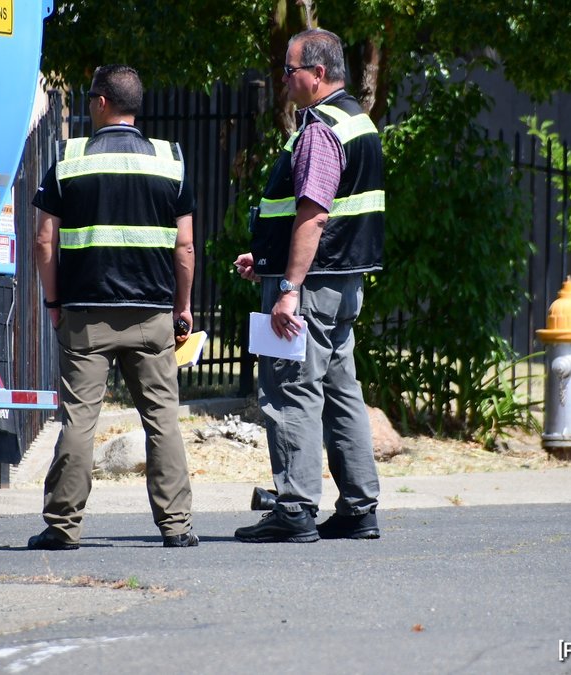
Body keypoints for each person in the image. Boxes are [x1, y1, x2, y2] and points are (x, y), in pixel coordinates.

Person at [29, 64, 198, 550]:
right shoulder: (171, 161)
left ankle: (63, 527)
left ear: (102, 102)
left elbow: (45, 241)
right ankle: (177, 526)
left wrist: (54, 301)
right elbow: (184, 247)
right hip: (151, 316)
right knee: (162, 417)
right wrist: (181, 306)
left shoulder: (68, 158)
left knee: (80, 420)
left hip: (85, 315)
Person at [233, 29, 385, 543]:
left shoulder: (320, 128)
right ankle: (359, 507)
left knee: (290, 387)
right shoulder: (357, 122)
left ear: (317, 74)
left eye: (290, 69)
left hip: (311, 286)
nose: (284, 78)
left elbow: (315, 215)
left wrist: (288, 286)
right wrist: (272, 258)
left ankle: (295, 507)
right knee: (342, 392)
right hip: (342, 284)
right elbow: (336, 216)